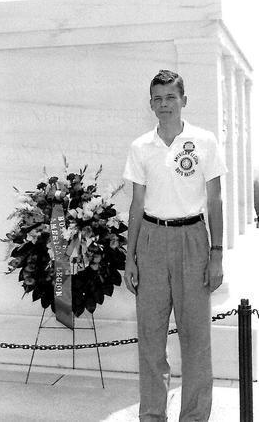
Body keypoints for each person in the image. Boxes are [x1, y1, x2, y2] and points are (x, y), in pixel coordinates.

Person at [123, 70, 227, 421]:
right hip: (151, 241)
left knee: (196, 340)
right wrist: (130, 258)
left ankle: (195, 417)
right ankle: (152, 415)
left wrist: (216, 254)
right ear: (150, 104)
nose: (164, 104)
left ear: (184, 100)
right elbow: (136, 205)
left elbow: (215, 200)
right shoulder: (141, 147)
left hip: (194, 240)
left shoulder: (204, 141)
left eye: (170, 97)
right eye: (158, 98)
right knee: (151, 339)